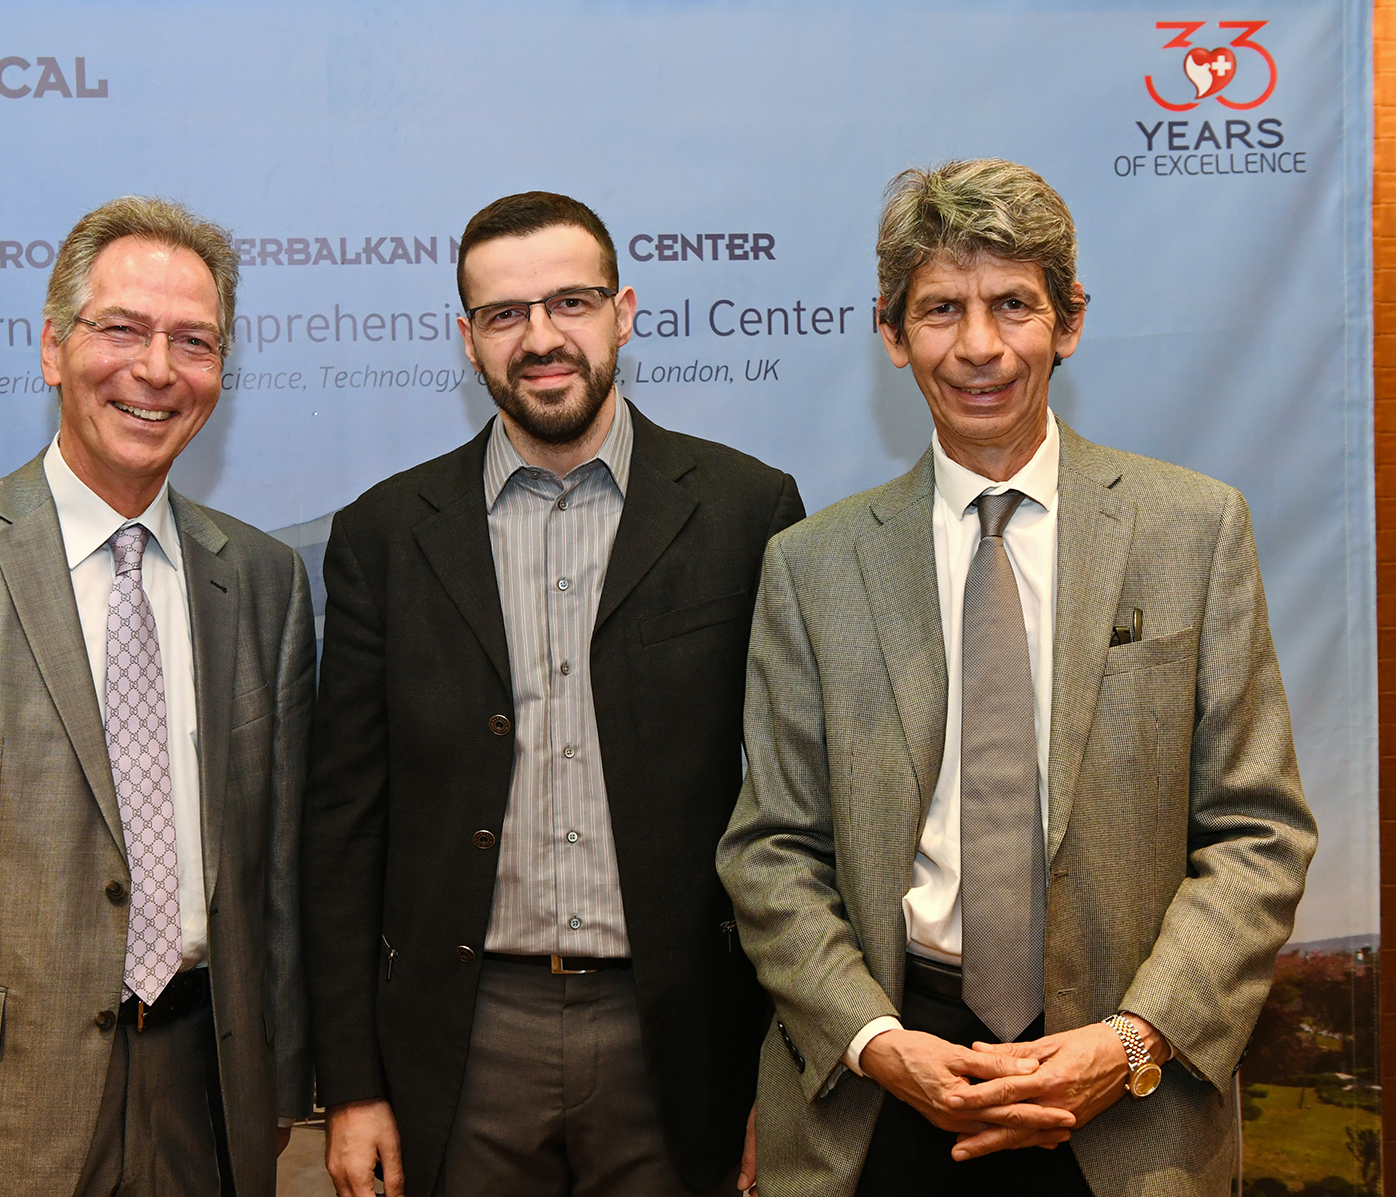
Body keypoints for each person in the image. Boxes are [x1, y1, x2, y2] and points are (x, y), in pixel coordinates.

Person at [717, 158, 1317, 1196]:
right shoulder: (812, 566)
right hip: (885, 1090)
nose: (979, 346)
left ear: (1068, 321)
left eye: (1011, 304)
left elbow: (1257, 832)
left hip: (1127, 1098)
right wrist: (874, 1040)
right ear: (891, 334)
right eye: (940, 309)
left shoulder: (1195, 529)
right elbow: (771, 849)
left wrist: (1131, 1040)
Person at [301, 191, 805, 1197]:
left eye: (570, 302)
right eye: (504, 314)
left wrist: (780, 1067)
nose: (540, 338)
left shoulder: (748, 512)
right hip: (463, 1036)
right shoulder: (383, 536)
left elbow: (797, 812)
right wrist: (351, 1085)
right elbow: (344, 828)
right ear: (468, 339)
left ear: (623, 312)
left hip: (682, 1038)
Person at [0, 196, 314, 1197]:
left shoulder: (264, 581)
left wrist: (284, 1086)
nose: (157, 369)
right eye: (121, 328)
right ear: (53, 349)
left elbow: (278, 876)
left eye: (194, 341)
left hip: (211, 1101)